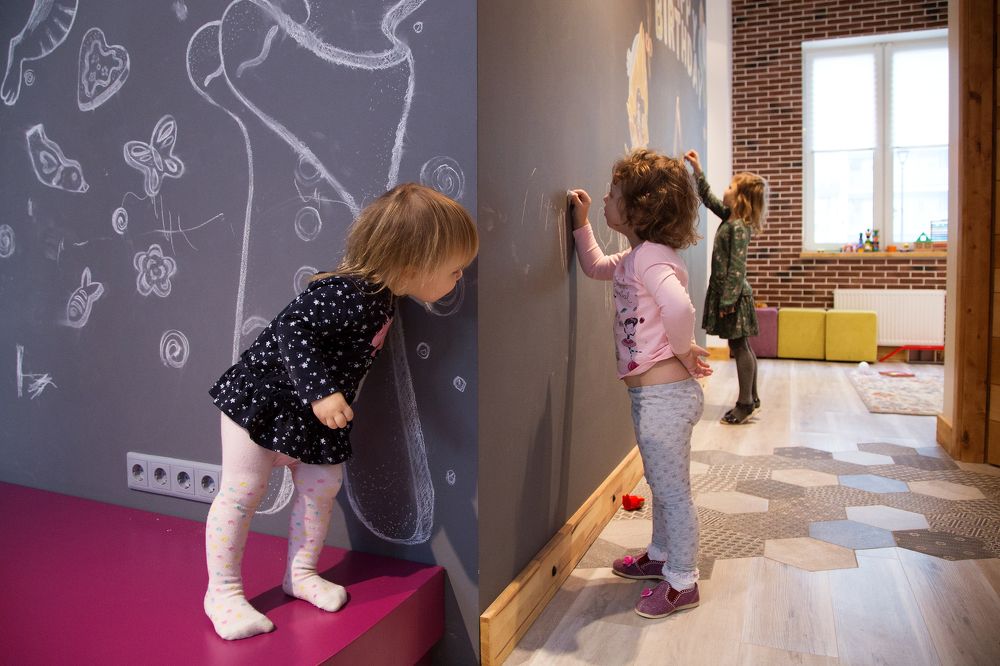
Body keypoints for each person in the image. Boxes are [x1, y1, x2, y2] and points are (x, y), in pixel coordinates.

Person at [203, 183, 478, 640]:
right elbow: (292, 329)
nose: (459, 277)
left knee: (321, 488)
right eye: (453, 270)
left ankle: (301, 573)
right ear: (412, 267)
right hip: (265, 401)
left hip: (316, 416)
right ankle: (223, 592)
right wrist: (322, 393)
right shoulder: (346, 292)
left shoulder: (382, 297)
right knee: (242, 492)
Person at [568, 148, 711, 619]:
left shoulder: (650, 258)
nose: (606, 198)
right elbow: (594, 266)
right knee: (661, 482)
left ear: (639, 209)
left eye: (613, 194)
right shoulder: (636, 257)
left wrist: (683, 349)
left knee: (672, 492)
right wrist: (582, 224)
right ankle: (662, 554)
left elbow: (680, 307)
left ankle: (682, 580)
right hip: (654, 396)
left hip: (666, 396)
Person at [684, 149, 768, 425]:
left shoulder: (739, 228)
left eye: (731, 187)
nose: (726, 189)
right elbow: (708, 198)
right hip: (729, 294)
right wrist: (697, 170)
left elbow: (737, 269)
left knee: (740, 347)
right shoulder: (728, 217)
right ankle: (752, 397)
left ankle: (745, 403)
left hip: (734, 296)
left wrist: (728, 301)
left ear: (741, 197)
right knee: (741, 344)